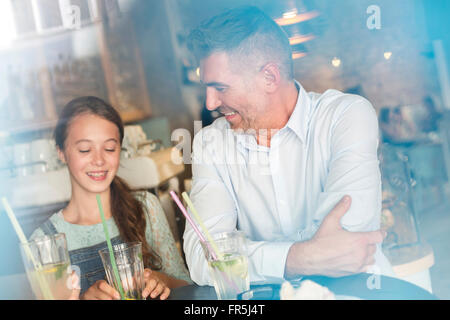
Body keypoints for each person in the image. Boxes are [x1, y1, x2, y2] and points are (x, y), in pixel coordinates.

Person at [183, 6, 393, 286]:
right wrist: (299, 258)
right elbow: (201, 260)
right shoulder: (210, 143)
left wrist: (249, 257)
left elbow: (349, 239)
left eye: (220, 87)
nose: (210, 103)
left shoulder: (346, 115)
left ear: (269, 77)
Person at [30, 96, 191, 299]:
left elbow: (187, 285)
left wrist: (162, 280)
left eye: (109, 148)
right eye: (85, 150)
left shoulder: (145, 207)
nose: (99, 160)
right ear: (61, 152)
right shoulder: (43, 242)